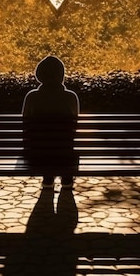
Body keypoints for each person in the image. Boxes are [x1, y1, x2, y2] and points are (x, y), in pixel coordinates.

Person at [22, 56, 80, 188]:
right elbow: (74, 128)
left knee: (44, 144)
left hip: (38, 156)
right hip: (65, 157)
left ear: (39, 75)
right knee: (64, 143)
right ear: (61, 74)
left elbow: (25, 126)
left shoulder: (32, 97)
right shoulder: (71, 97)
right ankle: (67, 179)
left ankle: (47, 178)